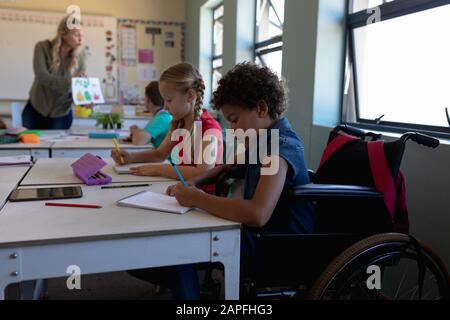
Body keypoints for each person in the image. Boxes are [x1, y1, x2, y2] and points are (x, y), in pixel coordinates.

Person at [157, 62, 315, 299]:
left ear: (261, 109)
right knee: (179, 245)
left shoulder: (279, 147)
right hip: (259, 234)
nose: (232, 127)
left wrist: (198, 199)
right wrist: (196, 182)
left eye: (234, 119)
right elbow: (228, 166)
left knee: (181, 249)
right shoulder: (262, 138)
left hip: (278, 244)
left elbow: (257, 213)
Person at [111, 63, 223, 188]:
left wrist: (161, 169)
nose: (164, 106)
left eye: (169, 100)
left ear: (190, 96)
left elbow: (203, 172)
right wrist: (130, 157)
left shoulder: (210, 128)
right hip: (182, 192)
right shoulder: (179, 123)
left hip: (202, 201)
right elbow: (160, 154)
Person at [22, 15, 87, 130]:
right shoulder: (42, 47)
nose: (80, 39)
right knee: (29, 145)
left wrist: (86, 99)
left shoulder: (81, 57)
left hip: (62, 113)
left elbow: (78, 87)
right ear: (63, 33)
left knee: (57, 147)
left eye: (82, 35)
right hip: (36, 109)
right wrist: (70, 81)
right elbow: (42, 76)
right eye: (76, 35)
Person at [127, 81, 171, 147]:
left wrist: (134, 130)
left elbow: (138, 141)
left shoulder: (162, 118)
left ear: (148, 100)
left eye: (145, 96)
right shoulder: (162, 116)